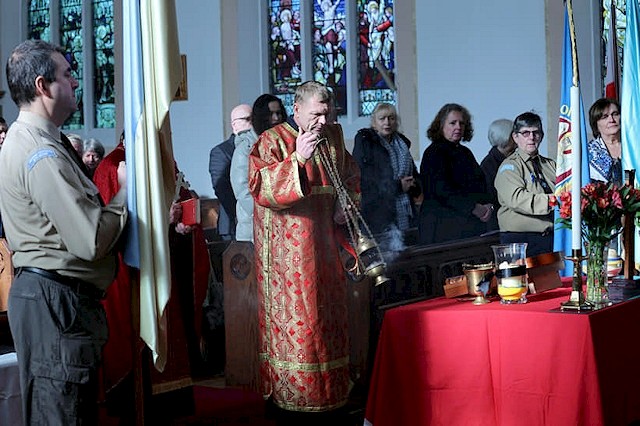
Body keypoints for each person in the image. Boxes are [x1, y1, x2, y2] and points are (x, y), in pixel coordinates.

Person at [0, 39, 127, 424]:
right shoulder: (40, 151)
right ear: (42, 86)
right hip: (55, 302)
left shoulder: (40, 141)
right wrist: (127, 191)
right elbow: (89, 239)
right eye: (68, 75)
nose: (76, 82)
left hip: (56, 300)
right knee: (63, 416)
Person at [248, 81, 359, 416]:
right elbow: (260, 188)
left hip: (327, 250)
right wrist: (299, 157)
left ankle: (334, 398)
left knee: (329, 323)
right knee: (304, 330)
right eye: (316, 114)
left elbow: (351, 177)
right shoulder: (272, 140)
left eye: (328, 113)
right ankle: (296, 401)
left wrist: (348, 204)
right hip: (289, 262)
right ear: (296, 110)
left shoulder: (335, 137)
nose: (323, 121)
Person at [92, 132, 211, 421]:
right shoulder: (113, 166)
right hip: (134, 275)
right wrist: (162, 219)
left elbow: (181, 200)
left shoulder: (164, 162)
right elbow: (111, 227)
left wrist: (180, 225)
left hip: (165, 268)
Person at [417, 103, 492, 245]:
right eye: (453, 123)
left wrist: (487, 206)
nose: (458, 127)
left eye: (462, 123)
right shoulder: (434, 153)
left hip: (468, 227)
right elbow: (441, 190)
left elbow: (480, 182)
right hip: (443, 229)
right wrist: (474, 208)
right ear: (441, 126)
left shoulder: (465, 152)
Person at [353, 102, 421, 245]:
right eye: (382, 118)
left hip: (405, 209)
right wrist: (398, 186)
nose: (387, 122)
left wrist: (414, 184)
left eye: (391, 118)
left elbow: (413, 171)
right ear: (374, 122)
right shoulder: (366, 142)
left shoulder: (401, 143)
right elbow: (364, 179)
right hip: (378, 212)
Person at [494, 112, 557, 257]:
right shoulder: (510, 167)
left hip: (550, 239)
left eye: (536, 132)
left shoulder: (550, 165)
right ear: (515, 137)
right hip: (520, 241)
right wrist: (554, 201)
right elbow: (517, 199)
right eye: (525, 133)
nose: (531, 137)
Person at [230, 94, 286, 242]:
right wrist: (270, 214)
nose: (276, 119)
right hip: (255, 227)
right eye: (270, 114)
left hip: (283, 224)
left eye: (278, 113)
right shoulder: (245, 148)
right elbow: (243, 191)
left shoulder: (285, 143)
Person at [209, 104, 252, 240]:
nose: (252, 123)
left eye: (254, 119)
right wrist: (244, 211)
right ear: (234, 125)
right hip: (233, 223)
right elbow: (221, 189)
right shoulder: (220, 152)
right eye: (247, 119)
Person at [480, 119, 516, 232]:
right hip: (499, 223)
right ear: (506, 137)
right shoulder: (489, 165)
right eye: (513, 134)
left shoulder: (513, 159)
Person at [588, 98, 622, 186]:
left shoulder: (634, 146)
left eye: (615, 114)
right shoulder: (588, 153)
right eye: (605, 117)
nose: (611, 120)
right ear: (596, 124)